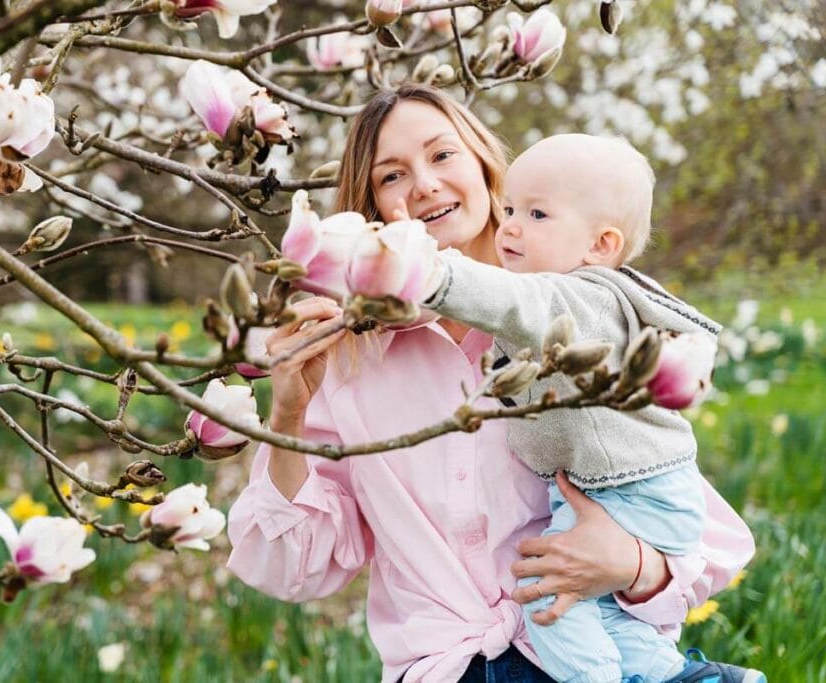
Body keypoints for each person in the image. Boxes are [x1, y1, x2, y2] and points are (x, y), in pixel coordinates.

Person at [226, 84, 755, 683]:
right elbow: (290, 567)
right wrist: (288, 415)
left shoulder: (573, 321)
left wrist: (630, 564)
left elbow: (700, 529)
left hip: (589, 653)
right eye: (392, 176)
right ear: (374, 209)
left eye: (442, 155)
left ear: (483, 166)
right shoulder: (349, 363)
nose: (424, 184)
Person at [415, 133, 762, 682]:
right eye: (509, 208)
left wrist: (430, 275)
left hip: (631, 492)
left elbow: (516, 303)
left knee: (547, 593)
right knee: (602, 614)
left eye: (536, 213)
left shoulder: (585, 296)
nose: (510, 226)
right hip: (614, 491)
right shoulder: (568, 295)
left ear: (600, 245)